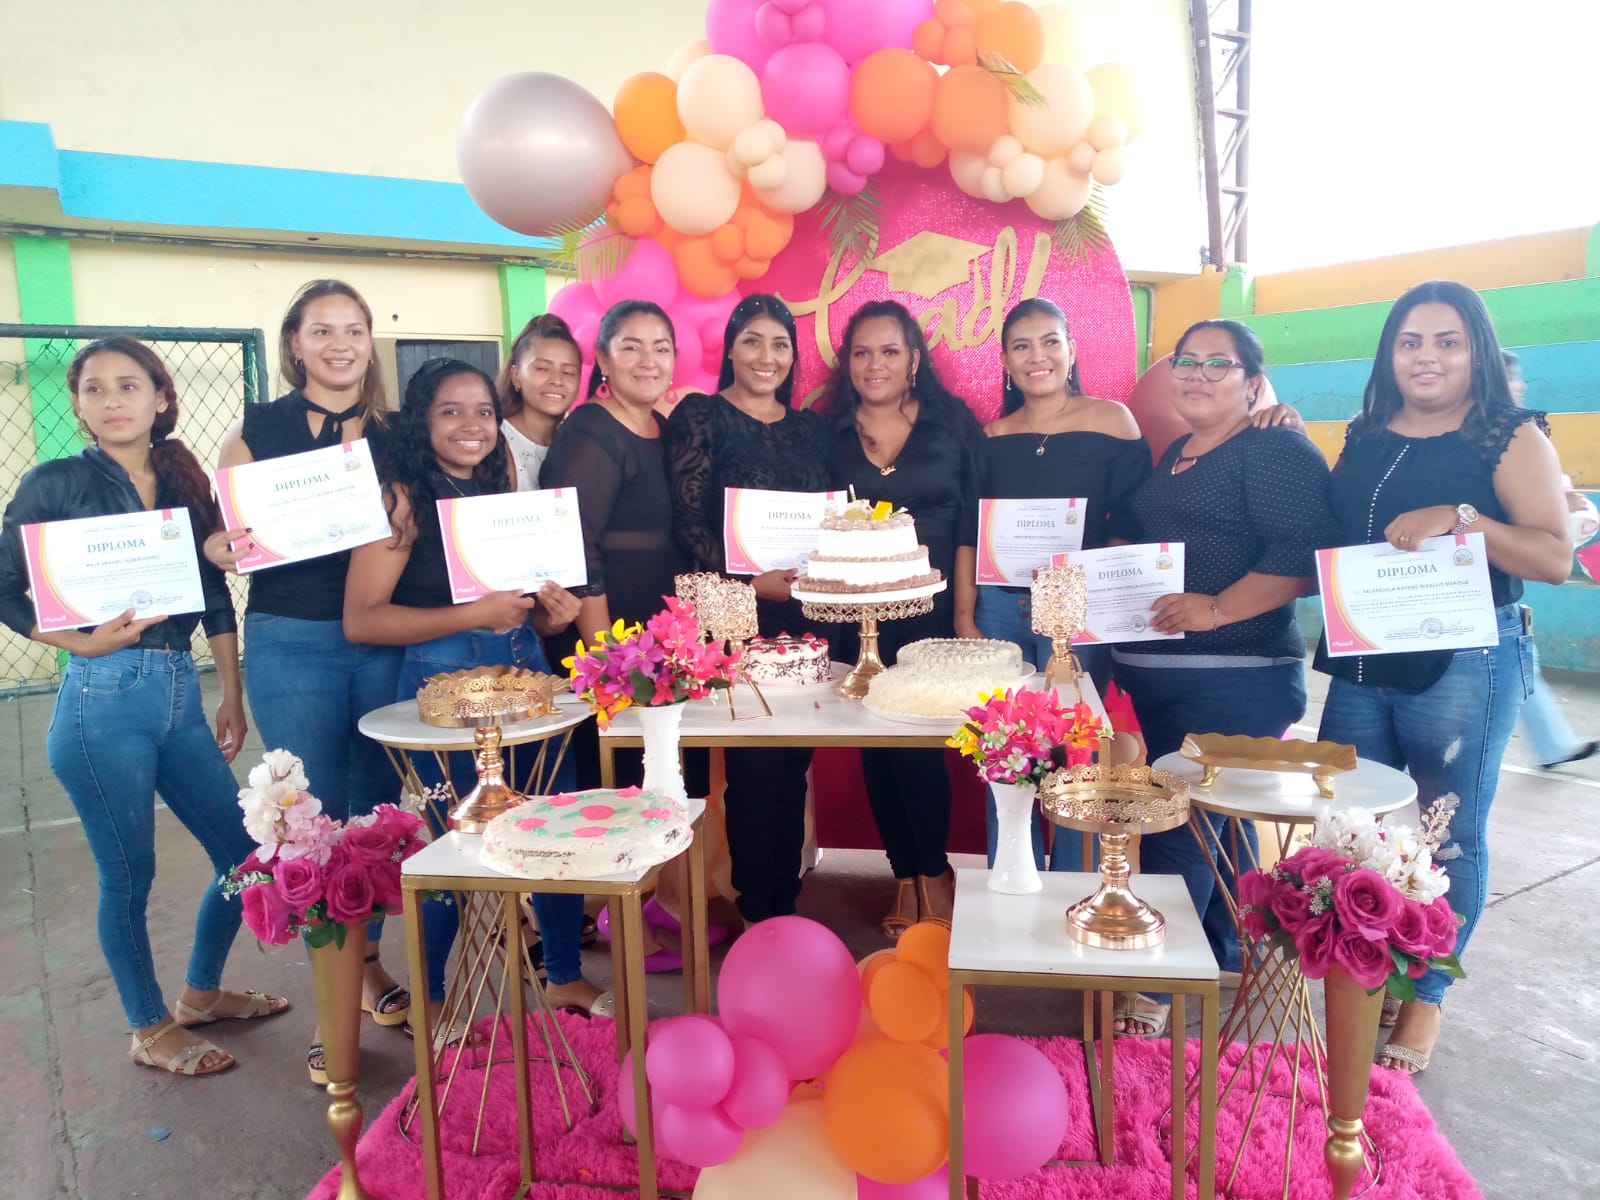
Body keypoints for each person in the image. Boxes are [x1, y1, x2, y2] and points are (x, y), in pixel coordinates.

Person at [0, 337, 288, 1076]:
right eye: (94, 389)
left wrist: (232, 692)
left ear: (162, 398)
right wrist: (78, 641)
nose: (112, 400)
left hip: (179, 693)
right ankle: (148, 1026)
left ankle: (200, 993)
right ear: (78, 406)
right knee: (129, 875)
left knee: (247, 858)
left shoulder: (184, 481)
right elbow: (4, 584)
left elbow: (214, 593)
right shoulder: (55, 483)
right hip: (101, 702)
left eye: (129, 386)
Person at [1314, 282, 1572, 1074]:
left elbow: (1554, 557)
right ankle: (1370, 972)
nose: (1427, 357)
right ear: (1389, 353)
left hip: (1466, 659)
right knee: (1350, 826)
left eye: (1447, 341)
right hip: (1364, 653)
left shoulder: (1509, 435)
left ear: (1476, 351)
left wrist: (1463, 519)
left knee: (1447, 834)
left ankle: (1425, 995)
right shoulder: (1365, 431)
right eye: (1411, 342)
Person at [342, 358, 608, 1023]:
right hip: (443, 687)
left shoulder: (501, 491)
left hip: (527, 673)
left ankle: (563, 976)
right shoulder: (401, 500)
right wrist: (472, 615)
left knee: (553, 828)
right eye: (451, 411)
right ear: (422, 421)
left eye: (484, 412)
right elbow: (363, 619)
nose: (472, 425)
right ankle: (433, 1001)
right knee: (453, 848)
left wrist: (554, 616)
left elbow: (523, 612)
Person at [1110, 318, 1337, 1038]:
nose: (1198, 374)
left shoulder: (1272, 447)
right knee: (1217, 826)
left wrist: (1214, 609)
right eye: (1187, 360)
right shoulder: (1179, 451)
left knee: (1179, 823)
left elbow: (1307, 553)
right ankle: (1228, 953)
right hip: (1161, 676)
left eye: (1219, 363)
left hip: (1237, 672)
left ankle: (1155, 982)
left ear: (1252, 381)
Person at [204, 279, 409, 1079]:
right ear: (294, 342)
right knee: (311, 830)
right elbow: (223, 540)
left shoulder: (395, 434)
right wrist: (222, 548)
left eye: (354, 329)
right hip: (292, 641)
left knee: (372, 820)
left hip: (380, 636)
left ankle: (366, 969)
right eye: (321, 330)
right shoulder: (256, 429)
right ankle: (334, 1015)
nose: (339, 345)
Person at [540, 300, 708, 967]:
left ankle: (653, 903)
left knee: (660, 775)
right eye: (630, 346)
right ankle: (614, 917)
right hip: (608, 643)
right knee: (615, 783)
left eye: (660, 347)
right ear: (603, 360)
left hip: (657, 639)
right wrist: (608, 661)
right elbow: (579, 551)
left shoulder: (662, 428)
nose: (648, 360)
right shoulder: (590, 431)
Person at [664, 295, 834, 925]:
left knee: (793, 765)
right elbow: (687, 518)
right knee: (754, 768)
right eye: (753, 341)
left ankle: (784, 900)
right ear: (731, 349)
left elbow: (831, 513)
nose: (768, 356)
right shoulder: (702, 415)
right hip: (737, 616)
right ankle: (757, 909)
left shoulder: (810, 428)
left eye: (780, 344)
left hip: (803, 619)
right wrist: (750, 583)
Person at [818, 299, 983, 936]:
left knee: (917, 749)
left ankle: (934, 872)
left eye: (889, 351)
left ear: (914, 359)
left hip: (932, 612)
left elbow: (971, 524)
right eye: (862, 353)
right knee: (877, 751)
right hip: (855, 615)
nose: (874, 364)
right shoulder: (829, 431)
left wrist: (964, 614)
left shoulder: (951, 424)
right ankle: (903, 874)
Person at [977, 297, 1150, 872]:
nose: (1038, 356)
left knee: (1079, 754)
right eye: (1022, 346)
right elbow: (974, 529)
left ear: (1071, 350)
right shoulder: (992, 434)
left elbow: (1134, 517)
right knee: (1004, 752)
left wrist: (1094, 585)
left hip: (1081, 613)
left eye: (1050, 341)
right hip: (1001, 609)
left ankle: (1074, 884)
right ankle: (1011, 875)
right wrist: (967, 613)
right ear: (1006, 361)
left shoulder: (1113, 420)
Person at [1501, 351, 1596, 769]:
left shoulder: (1525, 435)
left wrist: (1564, 503)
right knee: (1517, 659)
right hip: (1482, 575)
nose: (1520, 385)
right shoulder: (1496, 438)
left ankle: (1554, 745)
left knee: (1521, 658)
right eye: (1512, 377)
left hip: (1504, 581)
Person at [497, 313, 583, 490]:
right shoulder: (494, 441)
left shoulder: (580, 442)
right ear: (516, 376)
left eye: (568, 372)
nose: (557, 380)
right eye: (543, 369)